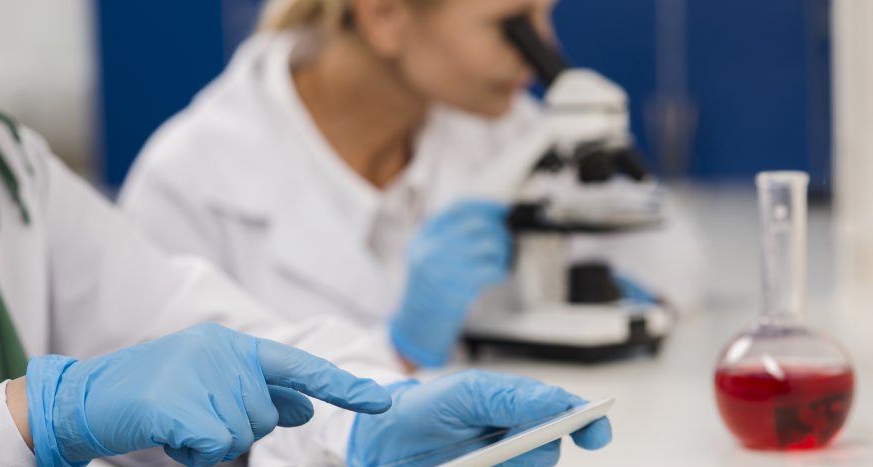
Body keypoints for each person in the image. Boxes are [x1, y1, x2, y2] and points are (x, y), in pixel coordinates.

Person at [0, 98, 611, 467]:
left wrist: (376, 422)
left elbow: (187, 326)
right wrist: (26, 422)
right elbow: (165, 461)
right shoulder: (201, 159)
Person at [120, 0, 706, 371]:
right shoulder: (191, 177)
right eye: (513, 25)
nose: (541, 55)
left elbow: (672, 251)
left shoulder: (497, 127)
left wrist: (610, 294)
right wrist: (396, 352)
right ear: (384, 15)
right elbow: (172, 453)